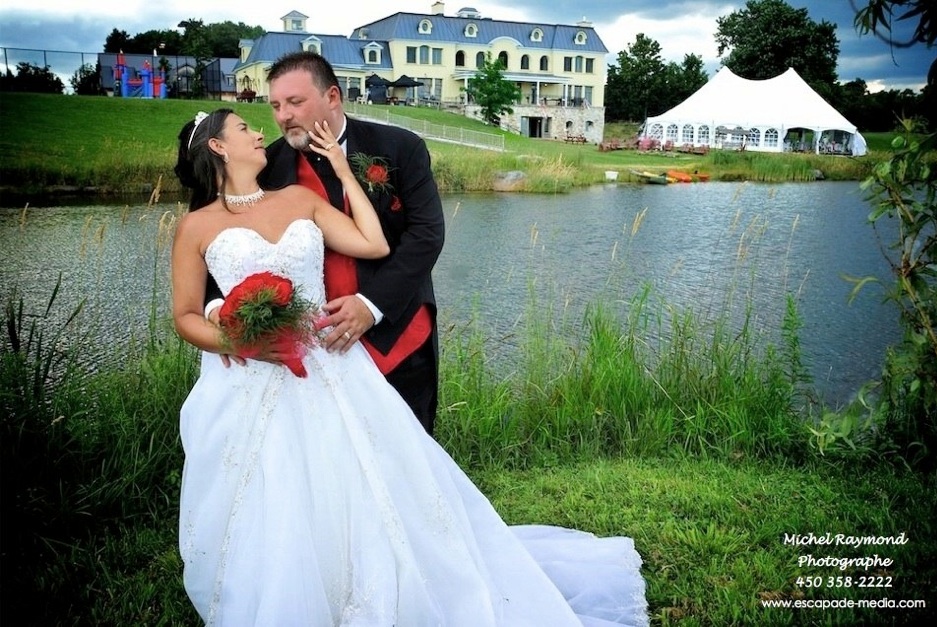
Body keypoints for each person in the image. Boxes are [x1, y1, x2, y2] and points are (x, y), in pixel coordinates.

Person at [171, 108, 649, 625]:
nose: (260, 128)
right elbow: (185, 316)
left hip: (327, 361)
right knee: (275, 489)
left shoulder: (299, 200)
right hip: (254, 376)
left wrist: (343, 169)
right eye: (244, 127)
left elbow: (374, 243)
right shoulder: (198, 226)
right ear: (218, 147)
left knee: (361, 480)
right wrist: (240, 341)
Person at [205, 50, 443, 435]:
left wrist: (372, 305)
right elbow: (222, 240)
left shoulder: (401, 147)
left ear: (333, 97)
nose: (283, 116)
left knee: (408, 452)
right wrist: (218, 305)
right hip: (312, 348)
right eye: (276, 105)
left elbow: (427, 235)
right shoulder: (264, 165)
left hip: (396, 331)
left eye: (295, 102)